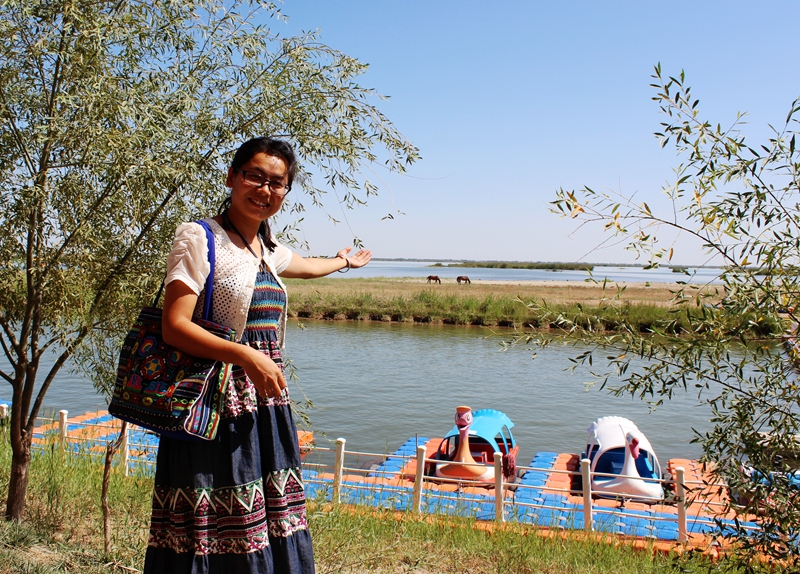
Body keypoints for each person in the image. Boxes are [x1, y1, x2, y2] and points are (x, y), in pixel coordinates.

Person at [143, 137, 371, 573]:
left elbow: (305, 264)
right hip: (213, 408)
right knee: (214, 523)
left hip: (264, 408)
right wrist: (247, 357)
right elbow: (175, 326)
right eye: (254, 176)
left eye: (277, 183)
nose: (264, 190)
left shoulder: (264, 247)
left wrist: (343, 262)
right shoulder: (200, 237)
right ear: (232, 177)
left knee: (267, 518)